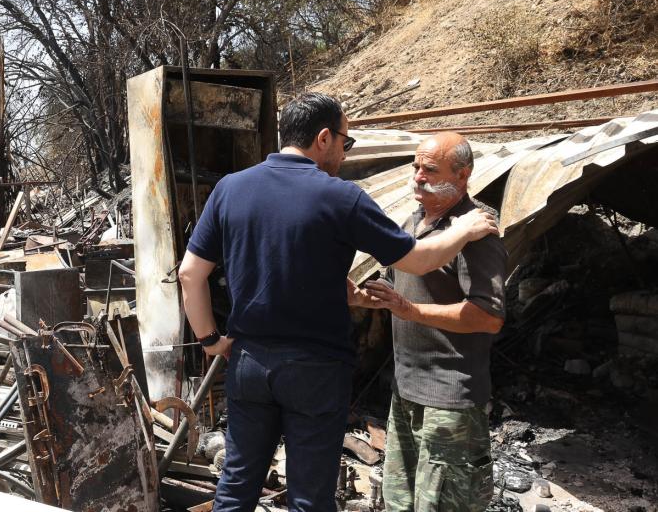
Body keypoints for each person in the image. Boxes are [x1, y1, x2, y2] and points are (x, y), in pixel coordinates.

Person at [177, 94, 500, 512]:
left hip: (249, 362)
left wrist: (210, 341)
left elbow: (190, 275)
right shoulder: (341, 197)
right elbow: (418, 259)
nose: (344, 156)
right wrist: (465, 230)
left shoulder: (230, 188)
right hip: (316, 369)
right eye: (345, 144)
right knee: (310, 496)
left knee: (237, 487)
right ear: (324, 138)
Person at [364, 132, 507, 512]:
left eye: (429, 169)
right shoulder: (415, 221)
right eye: (415, 167)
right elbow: (398, 292)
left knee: (442, 505)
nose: (417, 177)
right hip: (406, 391)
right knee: (401, 501)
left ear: (463, 175)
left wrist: (411, 311)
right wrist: (363, 297)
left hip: (449, 399)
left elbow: (489, 317)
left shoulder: (476, 232)